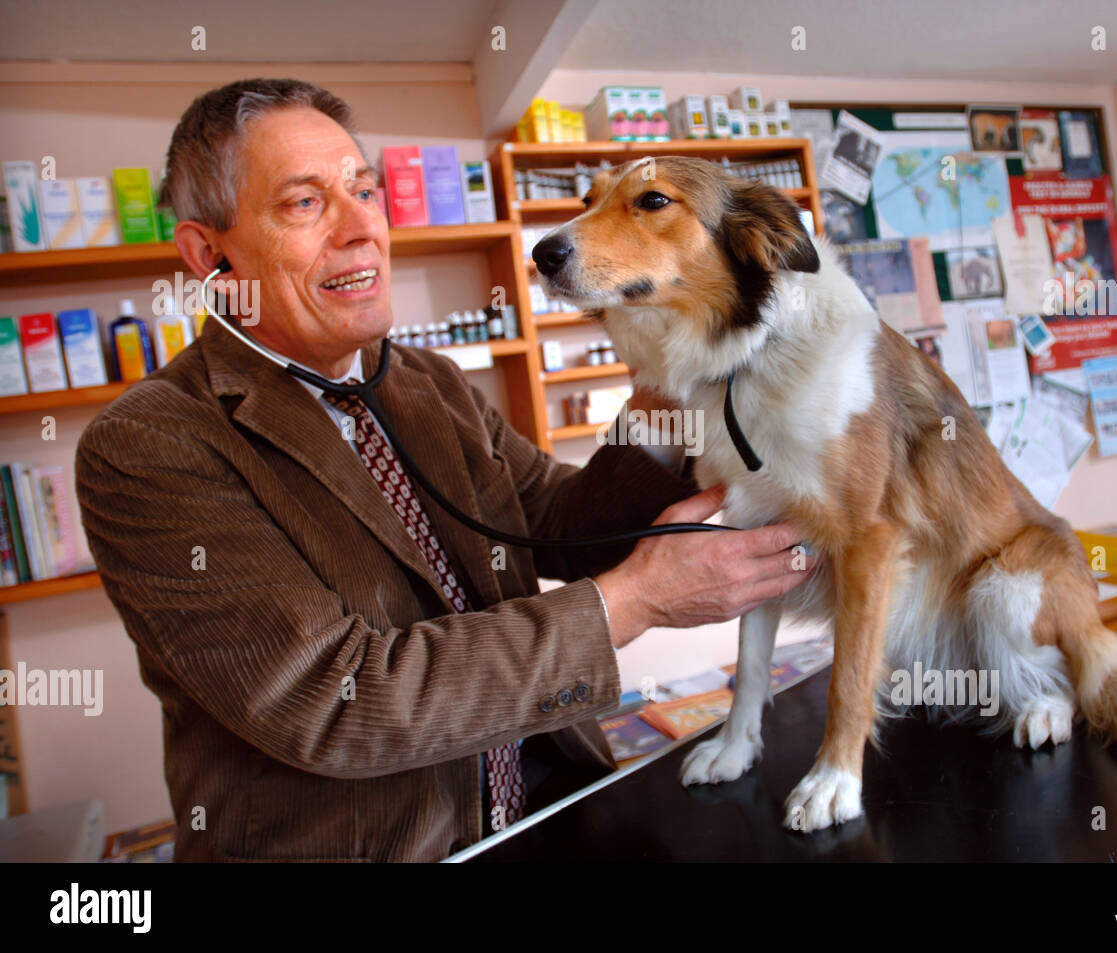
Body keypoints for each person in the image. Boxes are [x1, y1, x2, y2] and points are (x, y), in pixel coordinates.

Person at [74, 78, 815, 862]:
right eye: (305, 203)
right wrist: (637, 600)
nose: (363, 228)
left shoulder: (429, 382)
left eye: (365, 190)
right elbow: (332, 699)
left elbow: (554, 528)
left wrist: (666, 400)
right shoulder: (151, 445)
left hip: (550, 806)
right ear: (209, 254)